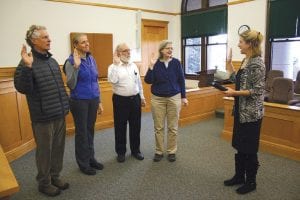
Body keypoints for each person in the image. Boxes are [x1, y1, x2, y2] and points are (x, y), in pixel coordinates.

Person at [14, 25, 70, 197]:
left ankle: (55, 176)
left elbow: (60, 86)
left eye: (48, 36)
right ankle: (44, 183)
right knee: (45, 151)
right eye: (45, 37)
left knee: (58, 148)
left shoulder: (52, 61)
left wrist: (65, 104)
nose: (49, 39)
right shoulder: (26, 63)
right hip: (43, 117)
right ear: (33, 41)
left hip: (59, 113)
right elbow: (23, 88)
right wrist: (27, 67)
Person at [223, 29, 265, 194]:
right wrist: (230, 65)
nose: (238, 44)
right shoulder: (246, 60)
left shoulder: (257, 63)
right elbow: (238, 80)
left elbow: (257, 91)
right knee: (240, 146)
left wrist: (234, 93)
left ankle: (251, 182)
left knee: (249, 148)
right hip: (240, 111)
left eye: (241, 41)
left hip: (252, 114)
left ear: (249, 44)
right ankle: (239, 176)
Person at [64, 33, 104, 175]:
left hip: (92, 100)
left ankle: (91, 158)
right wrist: (76, 66)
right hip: (79, 101)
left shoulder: (91, 58)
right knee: (82, 133)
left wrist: (99, 101)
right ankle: (83, 163)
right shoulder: (70, 61)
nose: (87, 44)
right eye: (83, 42)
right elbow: (71, 84)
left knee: (90, 130)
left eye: (87, 41)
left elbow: (95, 80)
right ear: (75, 45)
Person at [144, 40, 188, 162]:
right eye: (167, 48)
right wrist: (151, 67)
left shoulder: (176, 63)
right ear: (161, 50)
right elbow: (148, 81)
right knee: (158, 127)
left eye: (171, 48)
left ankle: (171, 151)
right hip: (158, 99)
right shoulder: (156, 63)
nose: (170, 50)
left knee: (172, 126)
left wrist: (184, 97)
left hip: (174, 97)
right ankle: (159, 151)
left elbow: (181, 80)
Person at [108, 43, 146, 163]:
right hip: (120, 101)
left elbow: (138, 83)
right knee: (120, 127)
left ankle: (135, 150)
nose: (128, 53)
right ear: (118, 53)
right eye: (125, 51)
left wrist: (142, 97)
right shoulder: (112, 67)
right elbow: (112, 81)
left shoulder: (133, 65)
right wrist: (115, 65)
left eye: (129, 50)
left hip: (134, 99)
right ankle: (121, 152)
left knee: (136, 126)